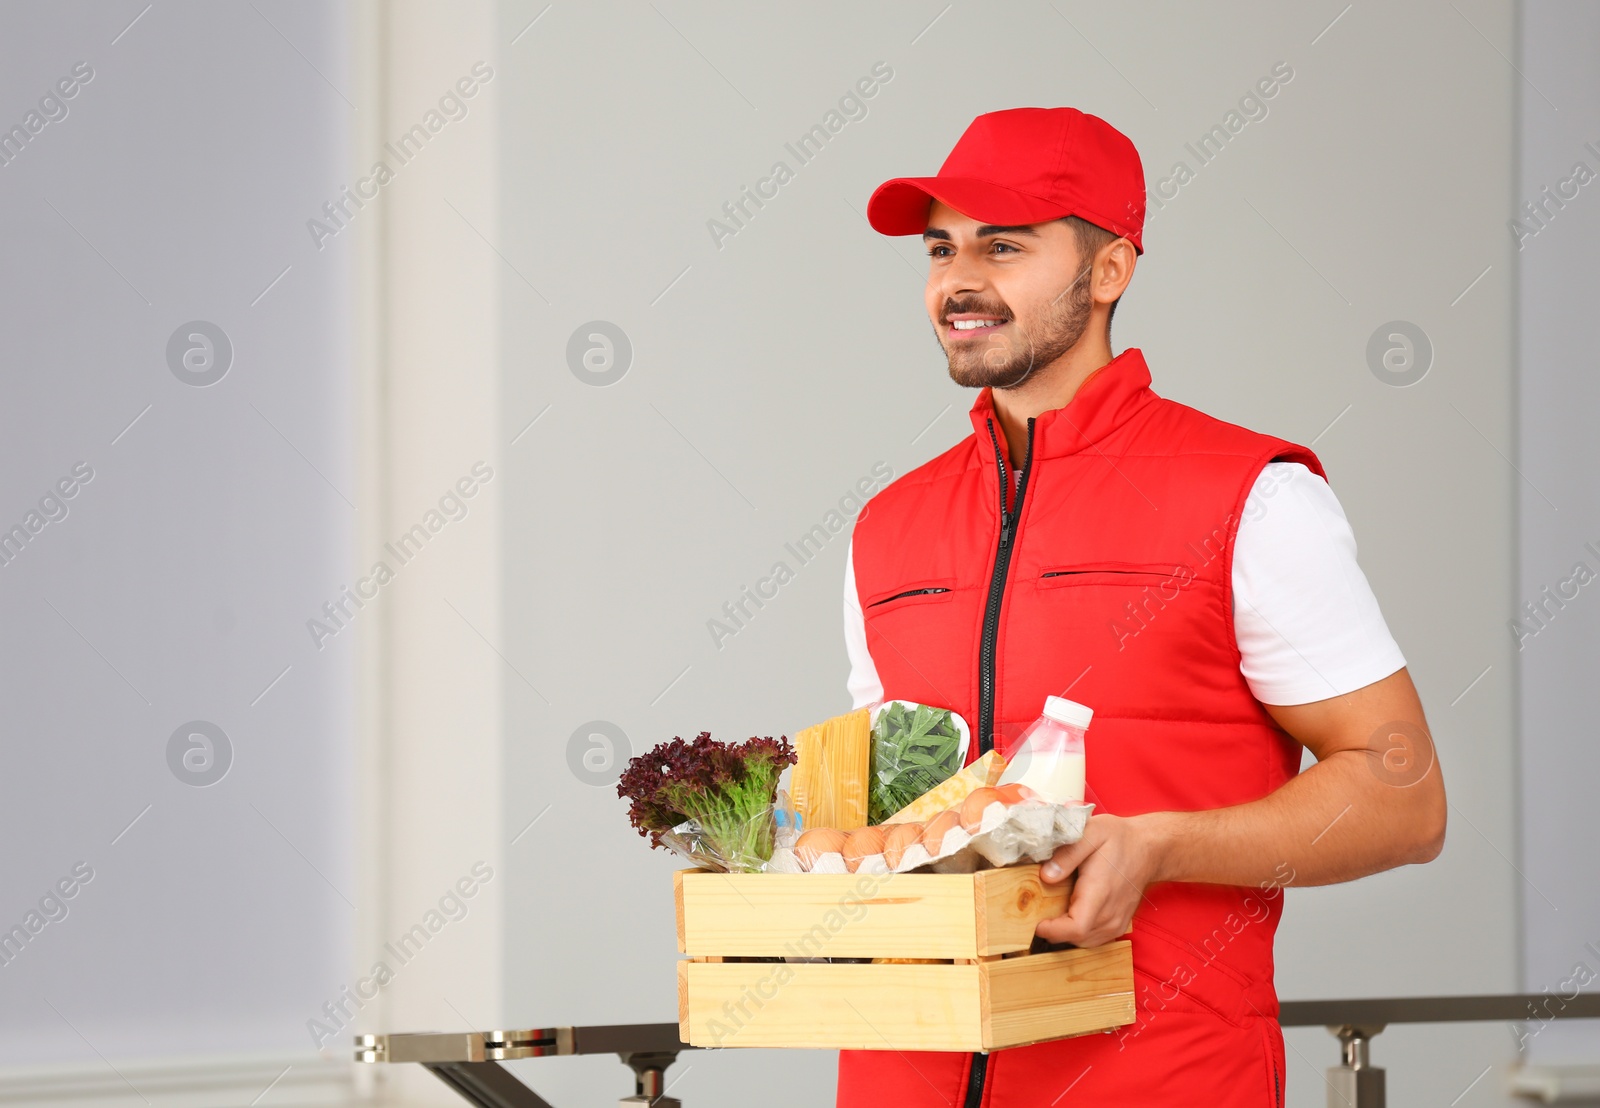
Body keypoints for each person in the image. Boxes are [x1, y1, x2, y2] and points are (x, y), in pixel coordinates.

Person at [838, 106, 1446, 1107]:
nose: (958, 281)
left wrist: (1161, 845)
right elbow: (896, 816)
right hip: (900, 1074)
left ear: (1109, 269)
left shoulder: (1248, 493)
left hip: (1156, 1076)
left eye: (1004, 246)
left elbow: (1405, 795)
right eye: (940, 249)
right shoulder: (887, 526)